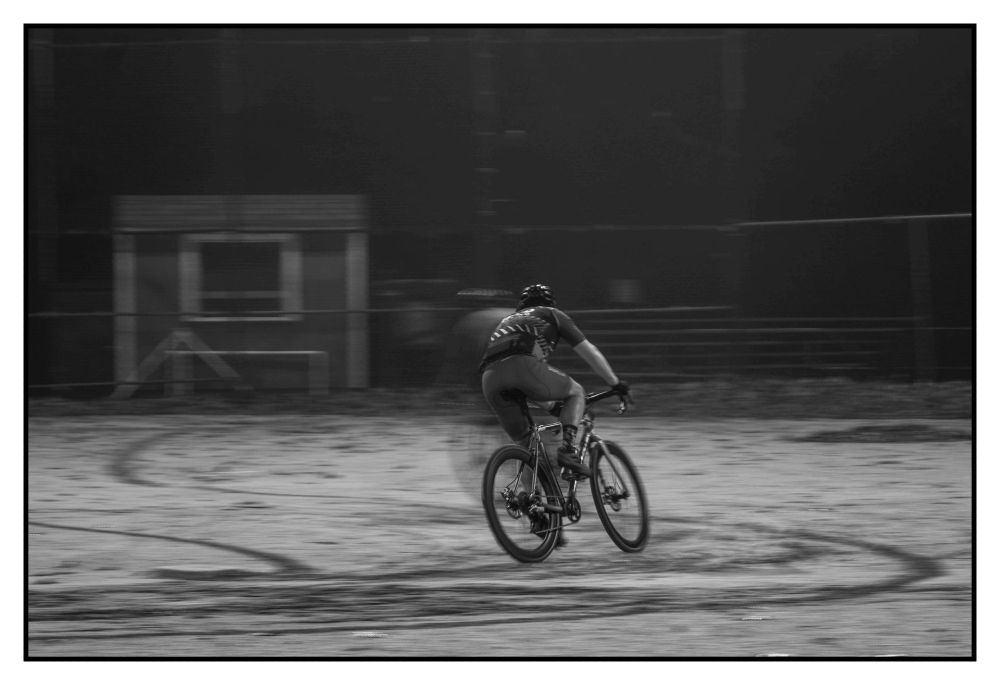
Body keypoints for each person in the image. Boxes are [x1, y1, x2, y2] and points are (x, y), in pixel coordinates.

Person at [479, 283, 631, 479]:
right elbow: (590, 353)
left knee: (527, 447)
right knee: (576, 392)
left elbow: (520, 383)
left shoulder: (507, 320)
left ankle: (528, 496)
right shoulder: (552, 314)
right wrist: (615, 383)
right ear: (551, 303)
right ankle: (567, 451)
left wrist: (551, 406)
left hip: (489, 379)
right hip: (522, 367)